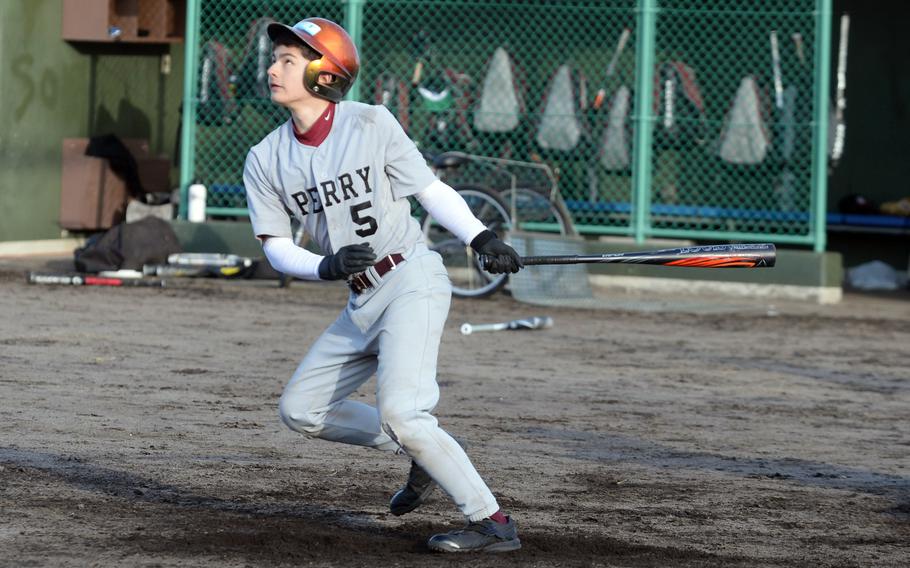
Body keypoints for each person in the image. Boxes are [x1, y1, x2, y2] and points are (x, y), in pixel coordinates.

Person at [242, 17, 524, 553]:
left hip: (410, 278)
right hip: (360, 299)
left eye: (289, 60)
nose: (274, 68)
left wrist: (480, 236)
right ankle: (421, 452)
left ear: (325, 74)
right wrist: (324, 267)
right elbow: (275, 246)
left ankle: (493, 523)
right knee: (302, 411)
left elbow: (430, 191)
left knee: (404, 413)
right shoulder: (266, 157)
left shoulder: (371, 122)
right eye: (276, 58)